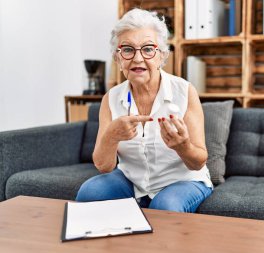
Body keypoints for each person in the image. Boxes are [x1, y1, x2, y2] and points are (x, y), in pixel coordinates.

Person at [75, 8, 213, 213]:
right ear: (117, 58)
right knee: (90, 193)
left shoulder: (184, 91)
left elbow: (198, 161)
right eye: (128, 49)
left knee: (165, 207)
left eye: (148, 49)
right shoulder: (110, 99)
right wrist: (112, 136)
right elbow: (104, 166)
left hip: (183, 180)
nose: (138, 59)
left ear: (162, 56)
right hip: (132, 181)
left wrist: (183, 146)